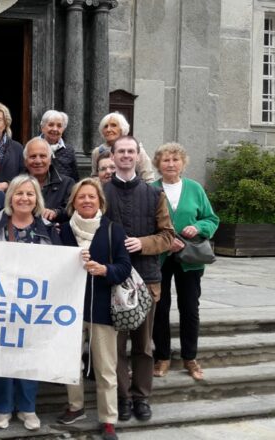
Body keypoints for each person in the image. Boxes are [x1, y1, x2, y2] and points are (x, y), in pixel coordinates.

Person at [102, 135, 175, 422]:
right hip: (113, 281)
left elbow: (168, 236)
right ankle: (122, 398)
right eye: (121, 151)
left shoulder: (154, 194)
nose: (126, 156)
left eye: (131, 151)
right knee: (116, 347)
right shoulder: (101, 192)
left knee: (143, 346)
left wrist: (142, 243)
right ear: (113, 155)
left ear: (137, 156)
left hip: (147, 281)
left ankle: (142, 397)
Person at [56, 178, 133, 440]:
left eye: (91, 197)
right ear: (73, 202)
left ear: (100, 201)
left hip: (103, 310)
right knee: (69, 364)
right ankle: (75, 406)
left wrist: (104, 270)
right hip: (71, 310)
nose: (87, 201)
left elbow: (124, 268)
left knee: (105, 367)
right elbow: (55, 267)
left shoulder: (113, 230)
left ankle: (108, 418)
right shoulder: (64, 230)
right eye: (81, 197)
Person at [0, 174, 61, 432]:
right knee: (3, 355)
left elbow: (60, 264)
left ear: (37, 199)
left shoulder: (48, 229)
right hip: (0, 303)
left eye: (30, 194)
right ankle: (3, 408)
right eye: (19, 193)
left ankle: (28, 408)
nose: (24, 198)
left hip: (34, 306)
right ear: (10, 197)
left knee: (30, 355)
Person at [151, 143, 220, 381]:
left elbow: (211, 219)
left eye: (175, 160)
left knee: (190, 308)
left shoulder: (195, 189)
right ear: (158, 164)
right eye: (166, 160)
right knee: (159, 308)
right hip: (159, 258)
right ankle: (162, 357)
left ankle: (190, 357)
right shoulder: (150, 189)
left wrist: (199, 226)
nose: (170, 164)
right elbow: (144, 224)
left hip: (190, 258)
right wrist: (164, 241)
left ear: (183, 163)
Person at [90, 113, 154, 182]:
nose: (108, 129)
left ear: (122, 129)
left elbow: (148, 177)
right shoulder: (97, 152)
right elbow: (95, 176)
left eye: (113, 125)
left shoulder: (136, 150)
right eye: (105, 126)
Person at [23, 137, 75, 223]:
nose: (38, 161)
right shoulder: (16, 186)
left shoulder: (67, 183)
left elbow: (72, 210)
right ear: (25, 162)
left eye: (42, 156)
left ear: (50, 160)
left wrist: (56, 213)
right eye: (33, 156)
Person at [39, 109, 79, 181]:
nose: (55, 129)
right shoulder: (32, 147)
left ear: (63, 129)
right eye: (51, 125)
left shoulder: (69, 150)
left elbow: (75, 178)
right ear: (42, 127)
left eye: (59, 126)